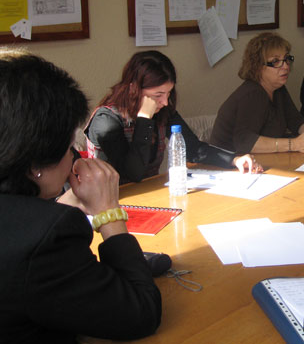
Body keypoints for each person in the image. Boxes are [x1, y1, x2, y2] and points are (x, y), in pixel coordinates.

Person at [0, 49, 161, 342]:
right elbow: (140, 313)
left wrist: (60, 207)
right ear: (35, 163)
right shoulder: (48, 239)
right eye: (67, 146)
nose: (73, 155)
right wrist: (109, 212)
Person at [85, 51, 260, 184]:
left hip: (149, 195)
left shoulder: (161, 111)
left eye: (168, 93)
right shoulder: (106, 121)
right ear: (133, 89)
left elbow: (194, 149)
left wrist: (234, 159)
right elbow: (133, 173)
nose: (165, 102)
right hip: (112, 203)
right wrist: (144, 119)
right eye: (158, 95)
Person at [210, 32, 304, 154]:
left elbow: (296, 121)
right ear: (257, 66)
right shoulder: (252, 94)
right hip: (228, 165)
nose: (285, 66)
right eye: (275, 61)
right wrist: (295, 144)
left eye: (286, 59)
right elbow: (245, 142)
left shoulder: (278, 89)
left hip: (260, 160)